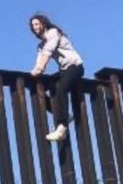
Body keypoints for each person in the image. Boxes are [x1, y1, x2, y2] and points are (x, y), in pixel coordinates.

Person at [29, 14, 84, 142]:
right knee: (39, 88)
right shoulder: (40, 45)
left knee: (61, 90)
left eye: (36, 24)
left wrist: (39, 69)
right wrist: (35, 72)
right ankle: (66, 115)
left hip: (75, 67)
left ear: (43, 23)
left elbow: (48, 52)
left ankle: (61, 127)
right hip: (63, 70)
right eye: (32, 25)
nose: (34, 27)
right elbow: (39, 60)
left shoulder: (54, 33)